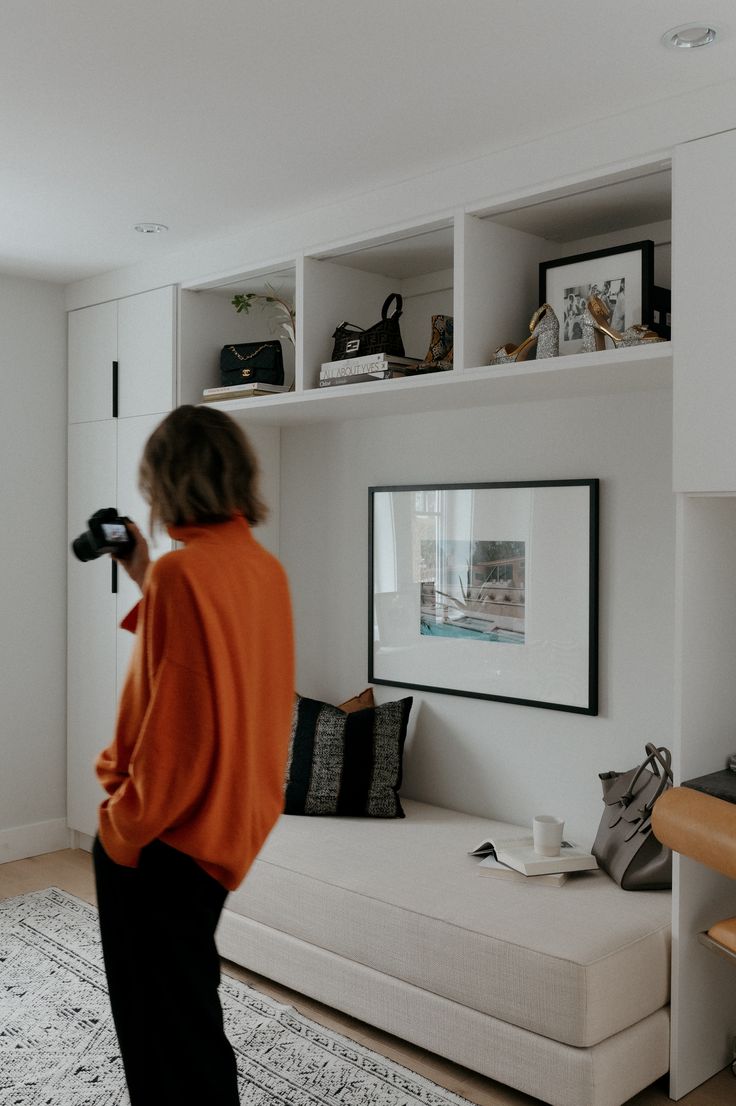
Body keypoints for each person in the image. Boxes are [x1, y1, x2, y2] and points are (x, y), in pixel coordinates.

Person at [92, 404, 295, 1106]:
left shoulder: (186, 575)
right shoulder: (260, 569)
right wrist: (143, 568)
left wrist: (121, 830)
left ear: (167, 482)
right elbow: (217, 660)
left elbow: (178, 732)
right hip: (228, 829)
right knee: (186, 1007)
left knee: (159, 1031)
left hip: (161, 839)